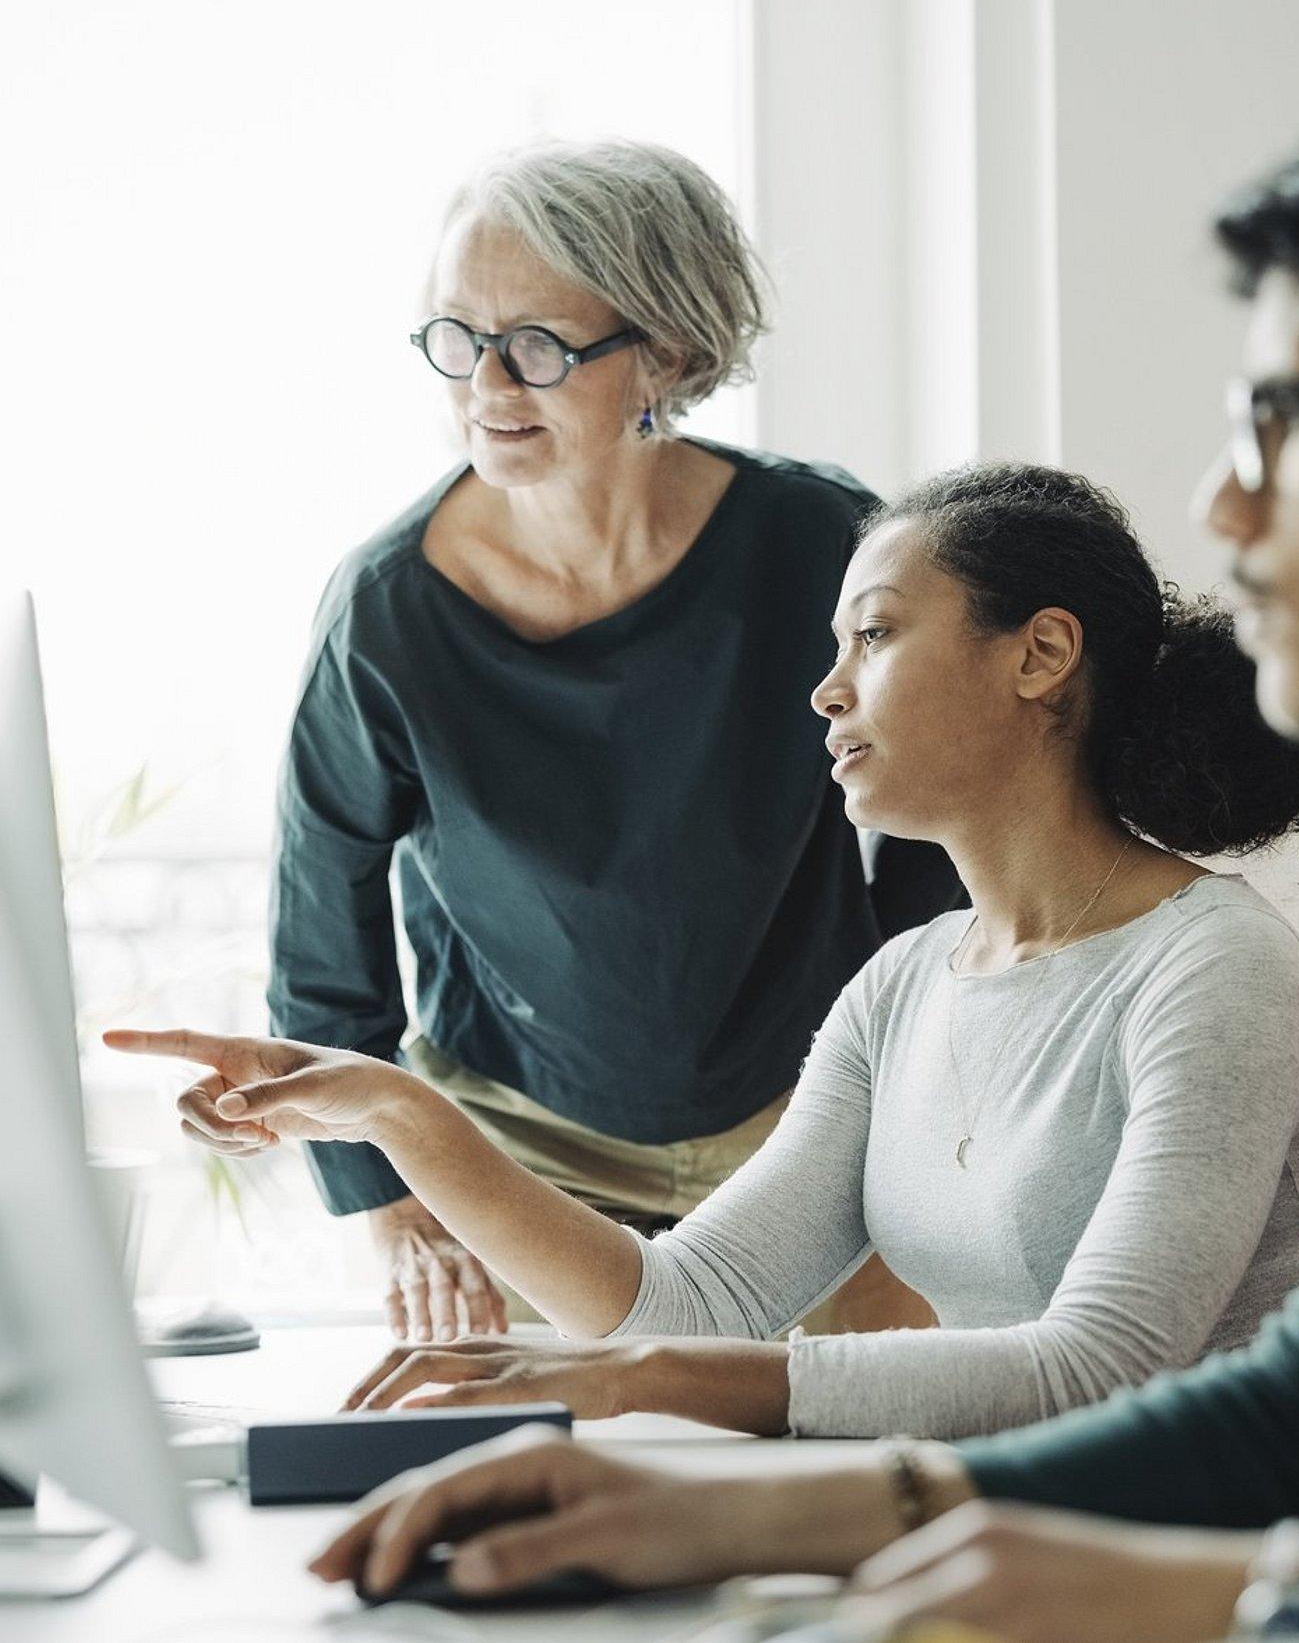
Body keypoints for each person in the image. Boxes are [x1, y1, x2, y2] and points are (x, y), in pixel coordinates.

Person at [297, 73, 1299, 1642]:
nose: (1221, 505)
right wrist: (741, 1504)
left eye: (1276, 422)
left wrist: (1234, 1585)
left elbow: (1184, 1404)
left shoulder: (1252, 951)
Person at [110, 462, 1299, 1439]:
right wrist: (394, 1113)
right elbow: (680, 1303)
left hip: (1194, 1565)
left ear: (1038, 656)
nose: (827, 691)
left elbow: (1097, 1370)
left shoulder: (1212, 968)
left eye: (873, 636)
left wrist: (657, 1383)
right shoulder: (902, 986)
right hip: (986, 1531)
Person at [252, 136, 960, 1340]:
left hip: (812, 1132)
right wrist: (390, 1202)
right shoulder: (385, 610)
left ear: (667, 353)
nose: (485, 387)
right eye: (455, 338)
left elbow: (938, 833)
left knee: (850, 1482)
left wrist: (904, 1095)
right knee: (559, 1497)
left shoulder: (822, 541)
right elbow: (326, 934)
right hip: (517, 1155)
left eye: (536, 345)